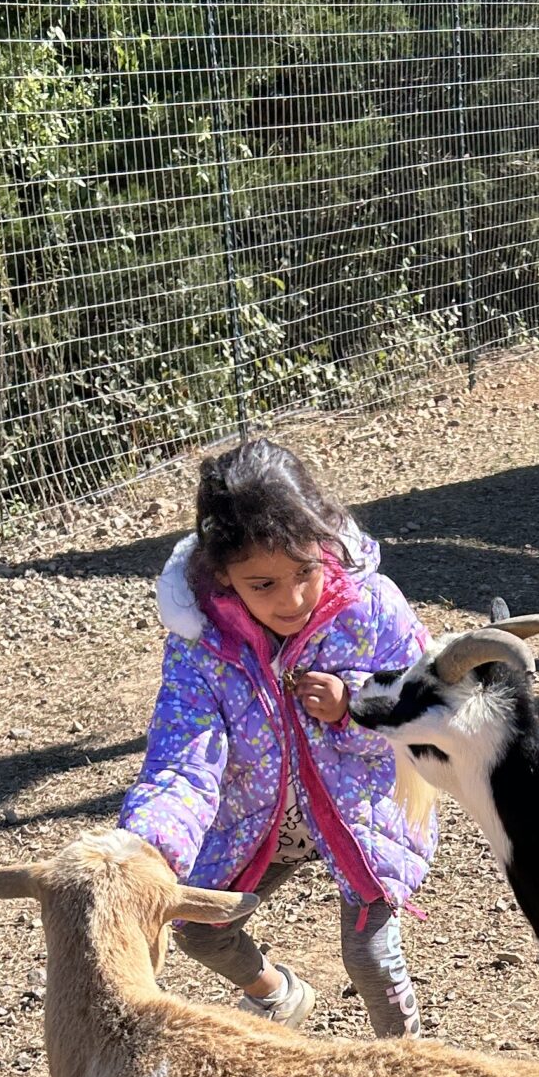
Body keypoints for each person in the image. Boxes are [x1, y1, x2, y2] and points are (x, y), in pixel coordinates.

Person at [118, 438, 434, 1035]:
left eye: (304, 573)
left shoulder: (372, 609)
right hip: (257, 817)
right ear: (223, 575)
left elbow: (421, 707)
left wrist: (353, 707)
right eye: (262, 584)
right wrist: (149, 850)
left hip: (359, 811)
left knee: (368, 956)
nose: (290, 600)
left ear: (324, 543)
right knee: (199, 928)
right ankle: (277, 993)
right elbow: (183, 761)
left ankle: (411, 1063)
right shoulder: (200, 645)